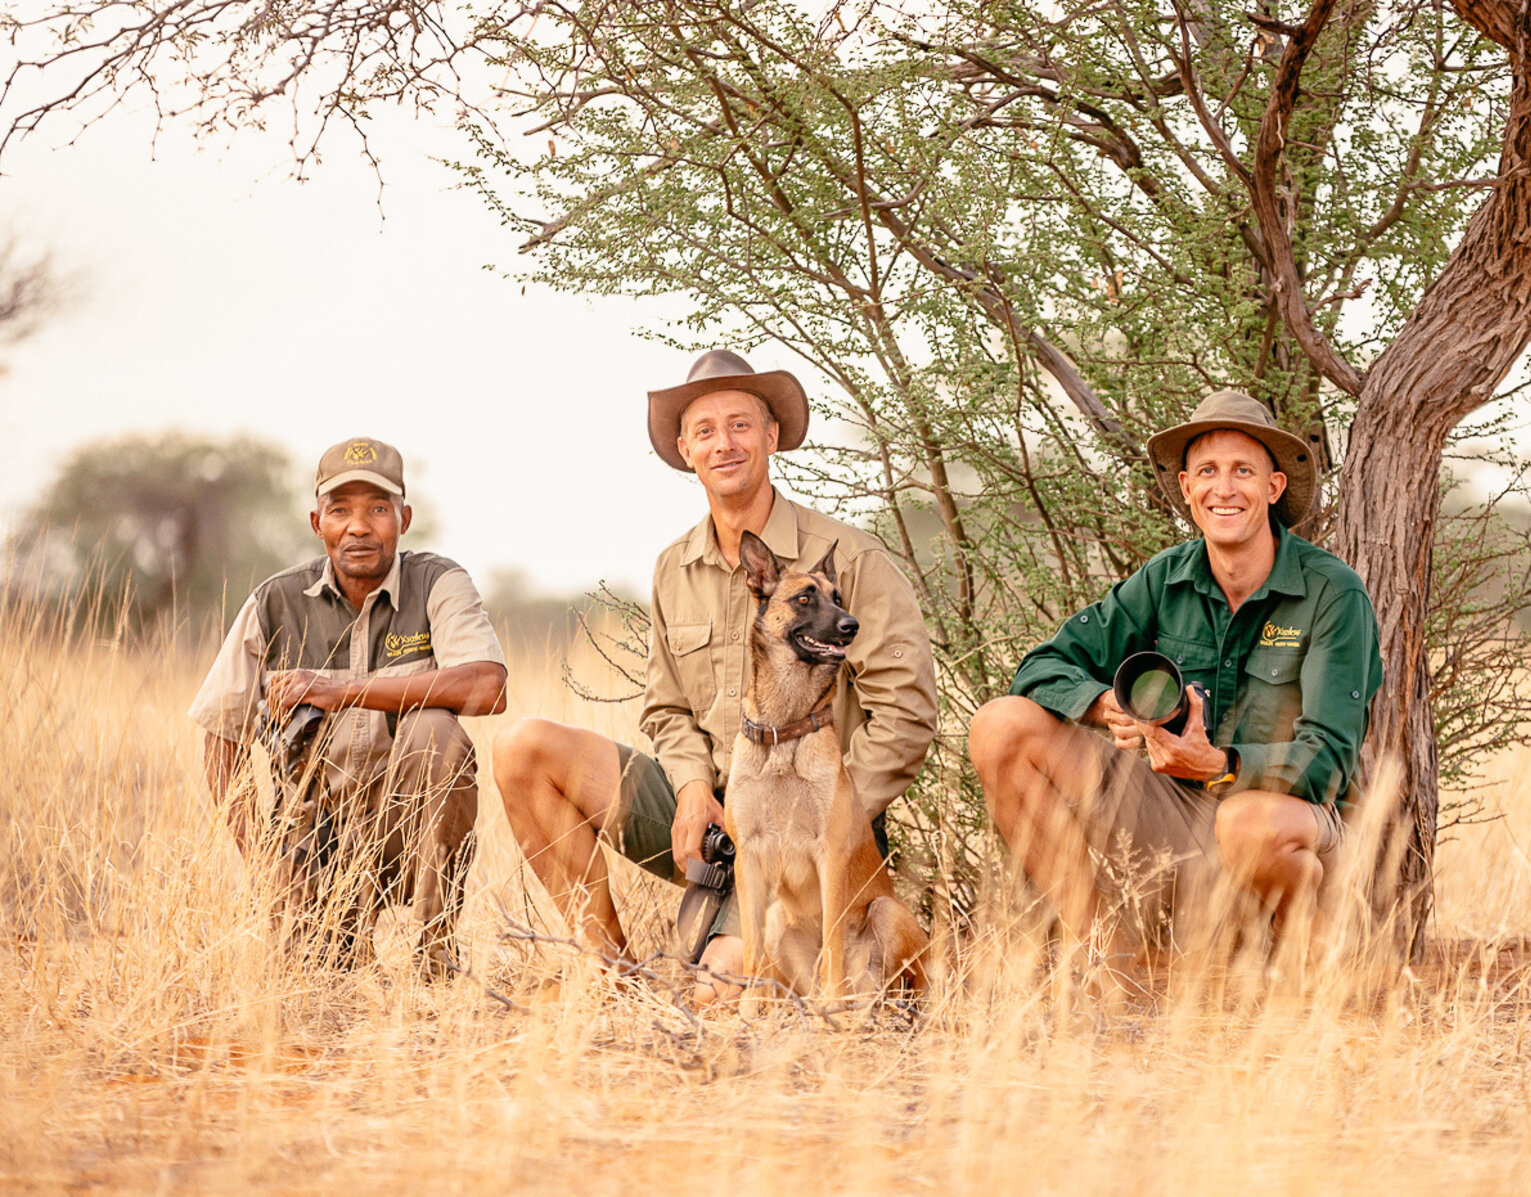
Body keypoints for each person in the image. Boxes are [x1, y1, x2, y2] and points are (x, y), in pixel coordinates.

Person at [493, 350, 938, 1002]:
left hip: (808, 833)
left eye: (740, 425)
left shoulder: (849, 560)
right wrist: (693, 785)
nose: (723, 443)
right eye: (705, 430)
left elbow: (906, 715)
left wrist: (830, 821)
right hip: (713, 818)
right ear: (685, 449)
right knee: (520, 745)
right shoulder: (674, 566)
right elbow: (666, 707)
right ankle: (607, 971)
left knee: (719, 992)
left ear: (771, 435)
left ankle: (773, 965)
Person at [968, 390, 1381, 969]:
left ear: (1274, 487)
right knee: (1000, 725)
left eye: (1244, 471)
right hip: (1176, 824)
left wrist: (1221, 765)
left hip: (1287, 819)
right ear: (1187, 489)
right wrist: (1103, 705)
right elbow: (1042, 666)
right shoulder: (1166, 577)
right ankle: (1108, 961)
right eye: (1208, 472)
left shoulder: (1333, 592)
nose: (1225, 489)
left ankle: (1304, 974)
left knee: (1247, 823)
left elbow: (1332, 760)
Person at [190, 437, 508, 970]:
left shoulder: (439, 582)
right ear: (317, 523)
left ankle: (433, 953)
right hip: (315, 844)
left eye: (377, 509)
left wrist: (339, 692)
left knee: (435, 730)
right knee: (321, 980)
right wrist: (264, 864)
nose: (358, 527)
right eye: (340, 511)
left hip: (408, 836)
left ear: (404, 518)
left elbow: (488, 686)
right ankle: (333, 930)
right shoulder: (274, 602)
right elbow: (221, 732)